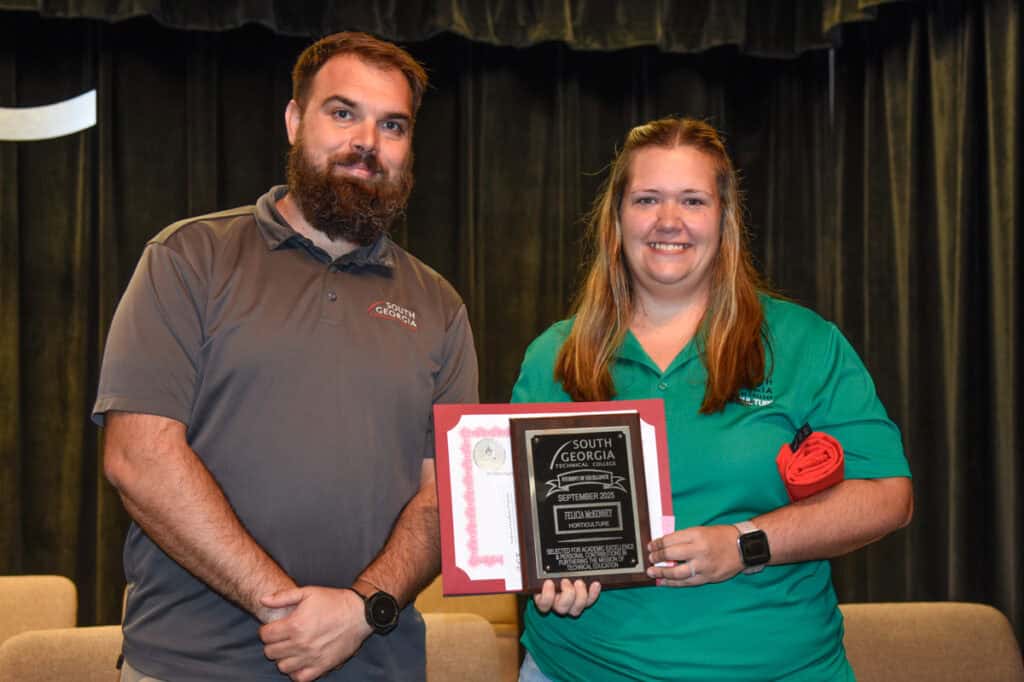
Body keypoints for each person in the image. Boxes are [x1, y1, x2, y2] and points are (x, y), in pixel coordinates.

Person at [92, 32, 478, 682]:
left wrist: (360, 611)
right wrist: (284, 608)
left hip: (374, 663)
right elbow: (139, 458)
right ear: (296, 120)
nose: (367, 142)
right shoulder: (188, 259)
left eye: (392, 125)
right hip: (190, 666)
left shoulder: (440, 306)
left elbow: (445, 497)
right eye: (343, 112)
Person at [510, 117, 912, 681]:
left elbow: (887, 496)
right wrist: (547, 578)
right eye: (647, 199)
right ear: (616, 219)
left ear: (724, 221)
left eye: (693, 201)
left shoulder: (804, 343)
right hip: (579, 669)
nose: (668, 220)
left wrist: (745, 543)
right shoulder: (554, 355)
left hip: (778, 669)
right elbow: (519, 526)